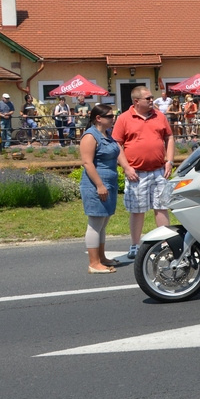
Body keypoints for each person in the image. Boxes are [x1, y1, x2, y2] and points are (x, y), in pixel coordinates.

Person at [112, 85, 175, 259]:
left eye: (151, 97)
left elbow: (169, 137)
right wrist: (126, 167)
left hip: (159, 171)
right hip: (136, 173)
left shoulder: (159, 116)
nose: (151, 101)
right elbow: (117, 143)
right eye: (148, 98)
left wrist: (169, 161)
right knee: (137, 210)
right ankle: (134, 244)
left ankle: (165, 244)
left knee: (161, 207)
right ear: (136, 101)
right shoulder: (124, 118)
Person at [79, 104, 122, 274]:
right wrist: (99, 185)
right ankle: (93, 263)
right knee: (95, 223)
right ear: (98, 118)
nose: (113, 119)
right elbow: (88, 163)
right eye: (110, 116)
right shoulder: (90, 136)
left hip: (108, 183)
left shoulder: (107, 135)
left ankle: (101, 258)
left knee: (103, 223)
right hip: (96, 184)